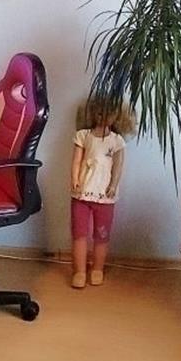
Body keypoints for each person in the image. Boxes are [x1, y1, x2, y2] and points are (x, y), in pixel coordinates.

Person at [70, 102, 130, 289]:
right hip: (81, 194)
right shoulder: (83, 135)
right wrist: (74, 178)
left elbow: (118, 166)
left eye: (108, 114)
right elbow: (76, 161)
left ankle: (97, 268)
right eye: (99, 113)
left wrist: (114, 184)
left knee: (102, 235)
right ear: (92, 114)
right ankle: (80, 271)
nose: (103, 117)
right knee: (79, 233)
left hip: (105, 196)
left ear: (116, 117)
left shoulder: (117, 141)